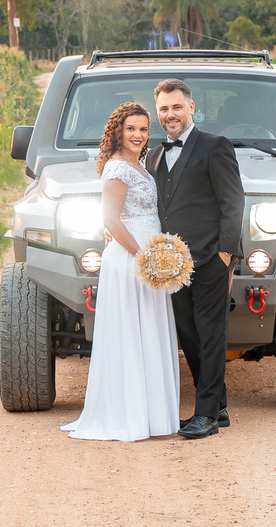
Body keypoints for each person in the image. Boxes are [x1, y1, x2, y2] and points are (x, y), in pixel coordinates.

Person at [61, 103, 181, 441]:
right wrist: (143, 255)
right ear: (118, 131)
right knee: (130, 334)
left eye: (143, 129)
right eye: (131, 129)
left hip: (146, 256)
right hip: (131, 260)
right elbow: (111, 220)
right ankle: (128, 415)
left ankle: (152, 415)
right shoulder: (117, 168)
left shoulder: (139, 165)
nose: (139, 135)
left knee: (149, 333)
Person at [147, 78, 244, 439]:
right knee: (188, 335)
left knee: (210, 335)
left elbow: (233, 203)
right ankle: (217, 403)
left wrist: (225, 255)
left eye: (176, 107)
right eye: (163, 109)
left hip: (209, 259)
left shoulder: (215, 146)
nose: (170, 115)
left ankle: (206, 416)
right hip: (171, 266)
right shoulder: (154, 155)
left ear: (190, 107)